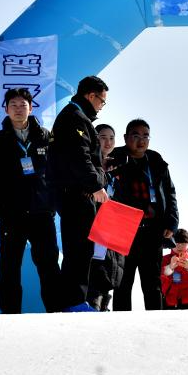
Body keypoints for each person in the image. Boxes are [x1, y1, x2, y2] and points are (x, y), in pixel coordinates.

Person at [0, 88, 61, 314]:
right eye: (13, 105)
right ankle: (9, 314)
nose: (18, 109)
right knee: (9, 265)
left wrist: (54, 202)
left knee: (48, 263)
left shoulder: (46, 137)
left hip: (41, 212)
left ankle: (56, 311)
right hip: (11, 212)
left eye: (22, 105)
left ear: (31, 108)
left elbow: (57, 172)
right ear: (6, 109)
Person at [47, 75, 109, 312]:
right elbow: (79, 156)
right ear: (91, 96)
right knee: (78, 249)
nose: (101, 107)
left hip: (78, 193)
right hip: (75, 194)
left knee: (81, 249)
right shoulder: (74, 117)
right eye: (101, 101)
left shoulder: (79, 117)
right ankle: (73, 302)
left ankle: (73, 300)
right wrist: (95, 185)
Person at [108, 119, 178, 311]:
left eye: (146, 136)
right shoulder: (115, 158)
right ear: (125, 138)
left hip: (152, 230)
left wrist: (171, 222)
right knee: (122, 283)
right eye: (136, 135)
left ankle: (157, 323)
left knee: (153, 284)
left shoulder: (155, 160)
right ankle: (121, 324)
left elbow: (169, 192)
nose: (141, 140)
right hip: (124, 230)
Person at [87, 123, 124, 311]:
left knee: (110, 270)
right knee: (94, 271)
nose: (107, 142)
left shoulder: (117, 168)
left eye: (111, 138)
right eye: (103, 137)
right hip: (92, 225)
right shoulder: (89, 165)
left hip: (112, 228)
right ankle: (92, 307)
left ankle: (102, 308)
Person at [161, 229, 188, 309]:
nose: (179, 246)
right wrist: (170, 267)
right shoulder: (164, 260)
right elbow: (157, 282)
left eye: (183, 243)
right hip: (170, 303)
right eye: (176, 243)